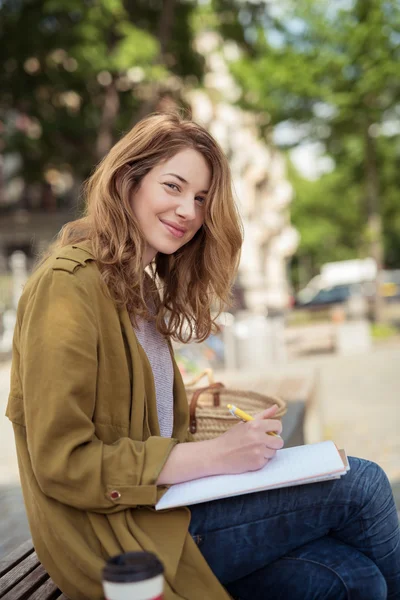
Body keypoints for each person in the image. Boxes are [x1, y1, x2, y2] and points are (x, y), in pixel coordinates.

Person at [6, 112, 400, 600]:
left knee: (354, 577)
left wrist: (199, 426)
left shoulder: (139, 290)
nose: (188, 211)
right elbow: (61, 461)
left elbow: (129, 420)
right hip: (118, 537)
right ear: (128, 181)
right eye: (173, 186)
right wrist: (212, 455)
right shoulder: (65, 288)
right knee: (361, 484)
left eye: (200, 199)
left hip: (168, 510)